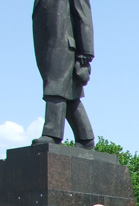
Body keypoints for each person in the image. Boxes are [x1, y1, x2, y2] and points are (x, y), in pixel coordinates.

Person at [31, 0, 95, 149]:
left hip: (64, 46)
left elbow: (83, 15)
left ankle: (52, 133)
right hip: (47, 48)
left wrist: (86, 52)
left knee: (55, 88)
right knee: (67, 93)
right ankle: (85, 137)